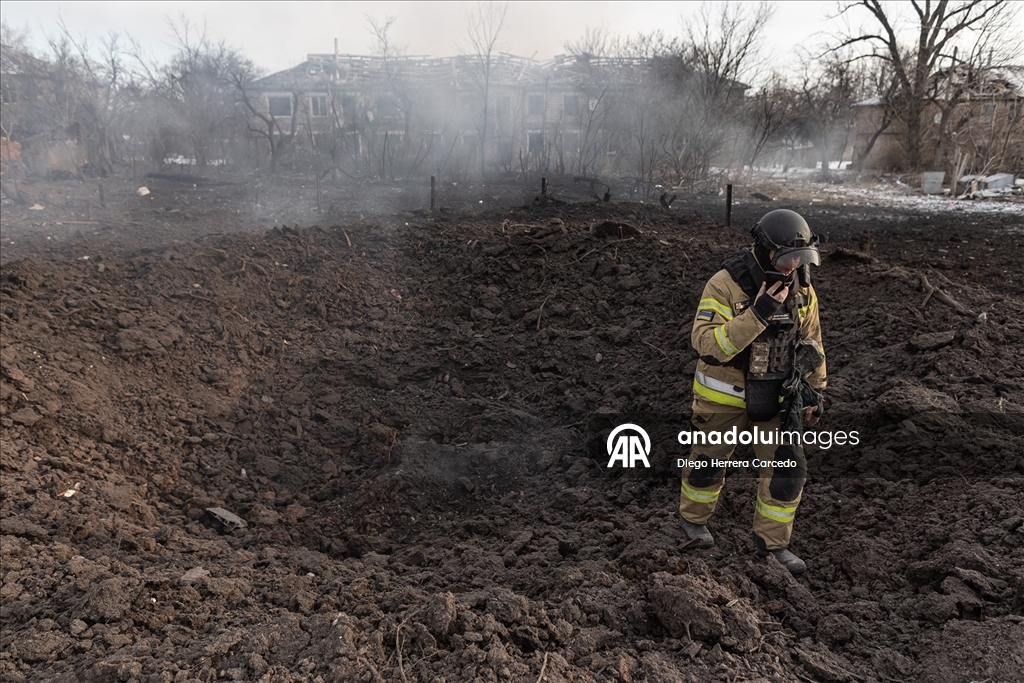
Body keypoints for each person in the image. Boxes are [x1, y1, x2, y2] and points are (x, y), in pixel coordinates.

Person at [679, 209, 826, 574]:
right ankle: (693, 522)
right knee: (707, 465)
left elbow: (812, 343)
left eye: (800, 259)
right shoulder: (725, 284)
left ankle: (773, 547)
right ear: (764, 251)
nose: (792, 267)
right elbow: (705, 343)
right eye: (786, 258)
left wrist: (817, 392)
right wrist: (757, 314)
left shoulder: (803, 289)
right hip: (722, 397)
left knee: (787, 469)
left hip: (778, 396)